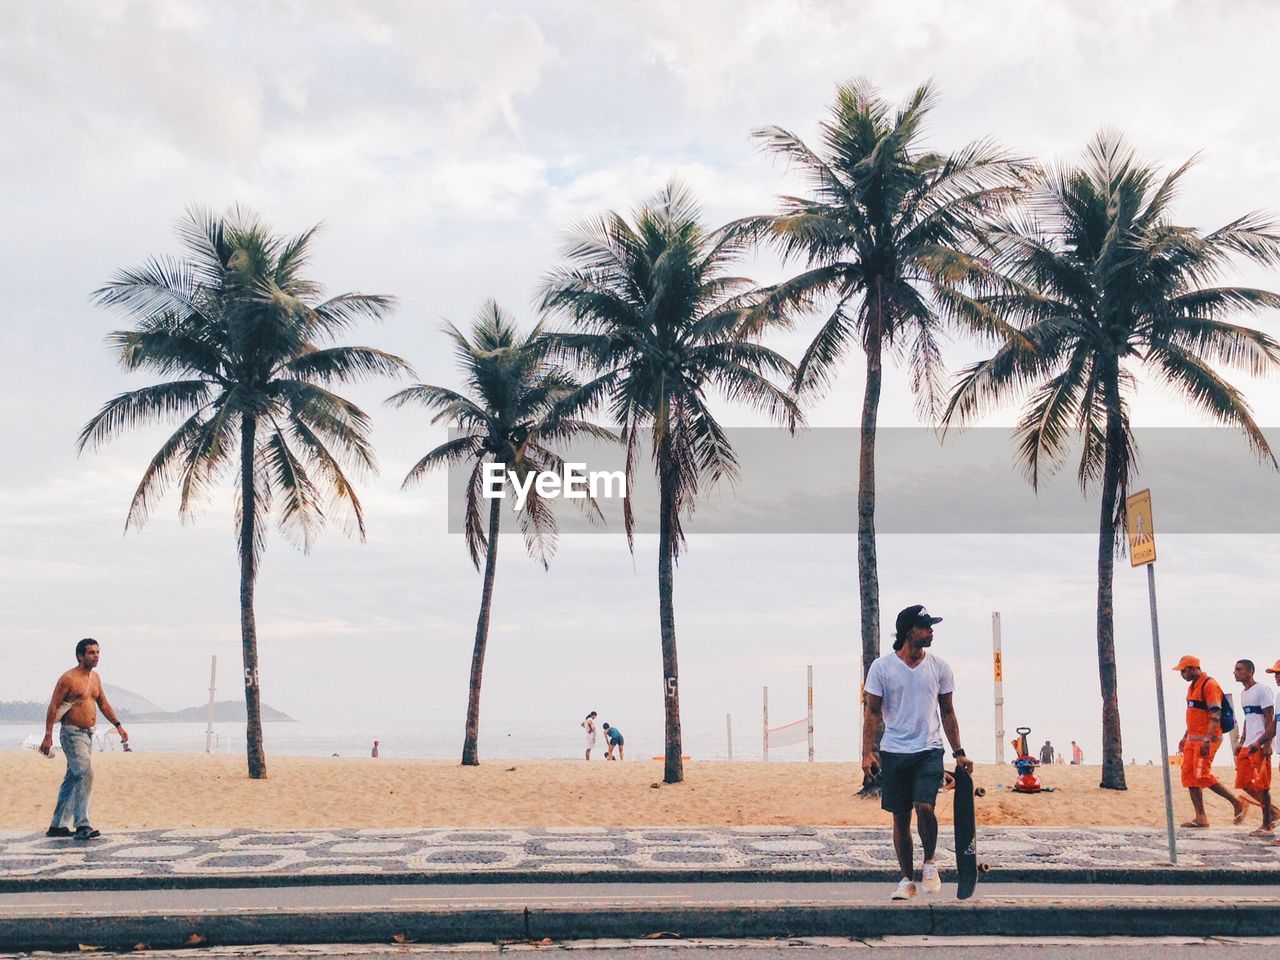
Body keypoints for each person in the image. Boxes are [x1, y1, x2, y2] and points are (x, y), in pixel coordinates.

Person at [863, 604, 971, 901]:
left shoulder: (939, 667)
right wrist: (866, 754)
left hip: (929, 749)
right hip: (894, 752)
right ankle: (907, 880)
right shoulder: (882, 668)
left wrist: (959, 752)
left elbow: (948, 712)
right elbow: (872, 713)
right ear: (910, 631)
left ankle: (930, 861)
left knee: (925, 806)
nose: (931, 632)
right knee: (900, 818)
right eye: (926, 627)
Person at [40, 639, 128, 840]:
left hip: (88, 734)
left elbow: (103, 704)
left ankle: (58, 825)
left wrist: (118, 726)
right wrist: (47, 736)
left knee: (73, 777)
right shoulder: (68, 679)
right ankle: (82, 825)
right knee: (85, 773)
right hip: (72, 734)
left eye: (98, 652)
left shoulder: (95, 678)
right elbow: (53, 707)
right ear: (80, 656)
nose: (96, 656)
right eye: (91, 652)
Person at [1173, 655, 1245, 828]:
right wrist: (1185, 736)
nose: (1182, 674)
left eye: (1184, 671)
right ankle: (1200, 816)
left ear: (1193, 668)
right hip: (1193, 738)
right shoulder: (1192, 687)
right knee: (1190, 776)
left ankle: (1236, 802)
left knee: (1202, 774)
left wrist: (1207, 739)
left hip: (1207, 739)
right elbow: (1194, 715)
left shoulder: (1209, 685)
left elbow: (1215, 714)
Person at [1233, 659, 1275, 836]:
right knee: (1243, 782)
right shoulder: (1244, 693)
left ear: (1250, 671)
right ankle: (1273, 812)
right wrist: (1242, 740)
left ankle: (1267, 823)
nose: (1235, 672)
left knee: (1262, 785)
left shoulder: (1262, 690)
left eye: (1239, 669)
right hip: (1248, 743)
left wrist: (1266, 743)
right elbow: (1247, 719)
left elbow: (1269, 717)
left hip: (1259, 743)